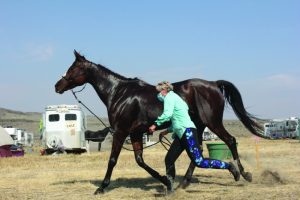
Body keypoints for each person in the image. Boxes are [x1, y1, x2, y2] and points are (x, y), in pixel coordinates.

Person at [148, 81, 240, 193]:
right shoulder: (175, 98)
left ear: (164, 90)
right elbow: (178, 119)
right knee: (169, 160)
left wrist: (155, 125)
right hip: (181, 134)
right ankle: (170, 190)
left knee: (199, 162)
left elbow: (167, 115)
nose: (159, 94)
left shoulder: (169, 98)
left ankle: (229, 166)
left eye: (159, 92)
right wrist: (167, 131)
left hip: (188, 133)